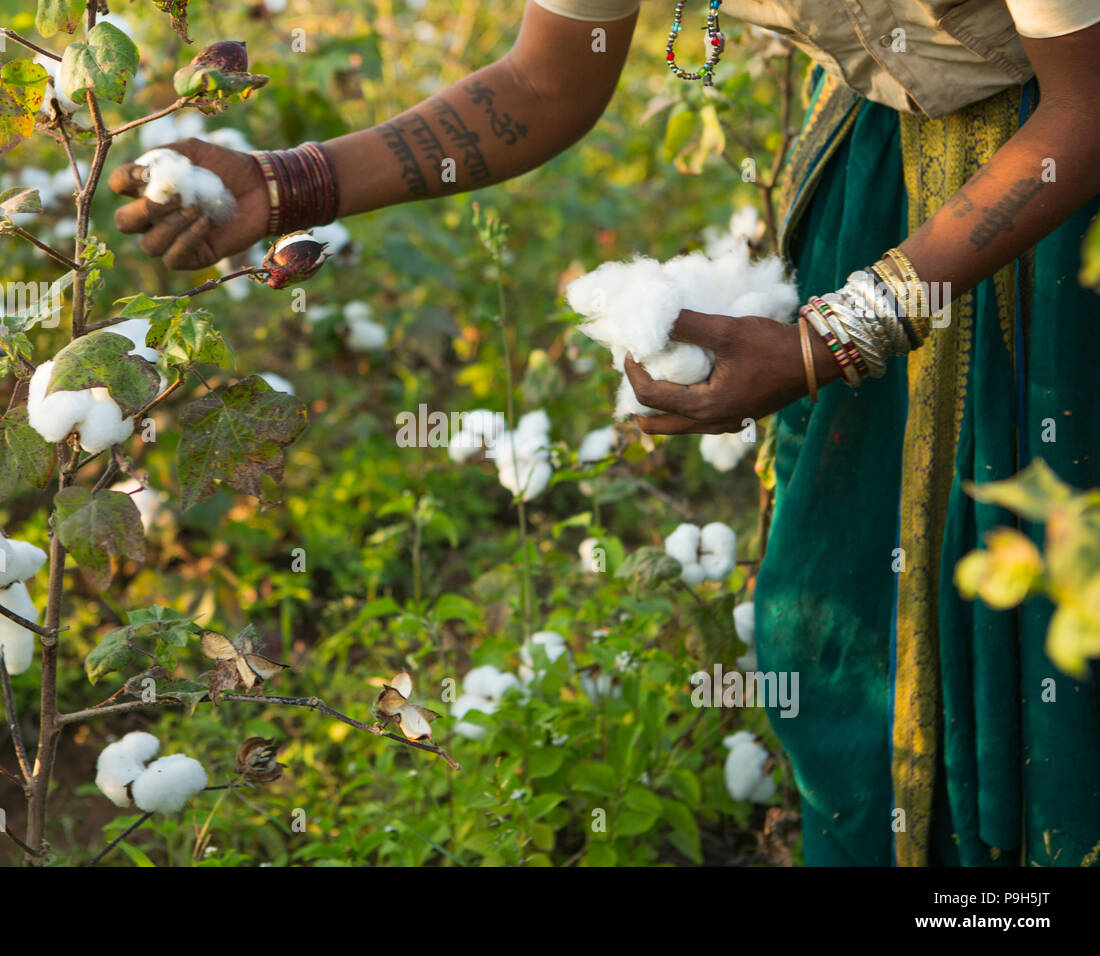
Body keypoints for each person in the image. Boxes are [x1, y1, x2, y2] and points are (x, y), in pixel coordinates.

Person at [109, 1, 1100, 866]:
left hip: (1058, 201)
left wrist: (823, 341)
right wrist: (288, 183)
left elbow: (1084, 106)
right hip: (884, 178)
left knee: (1047, 612)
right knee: (846, 611)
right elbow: (549, 79)